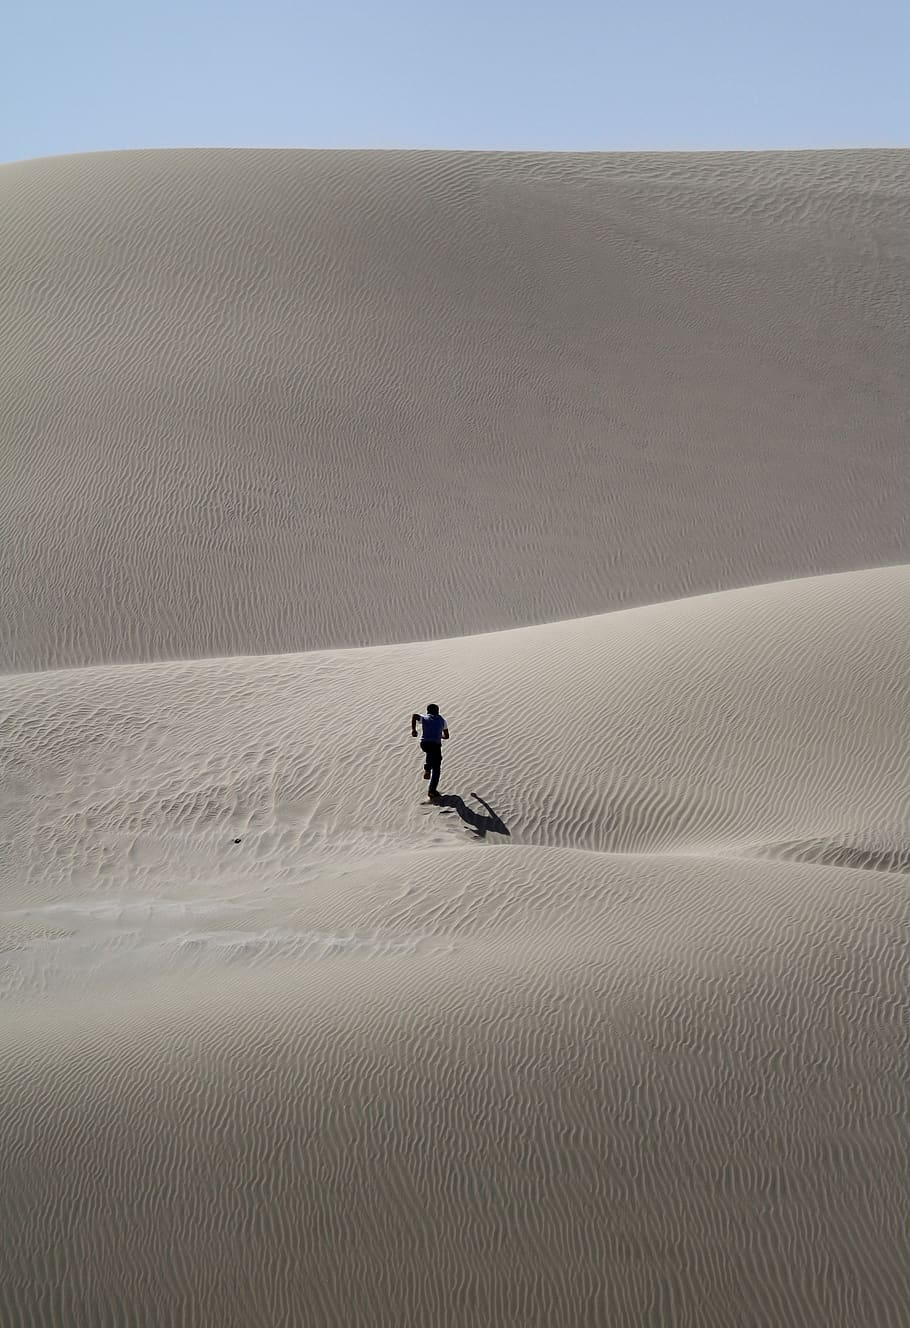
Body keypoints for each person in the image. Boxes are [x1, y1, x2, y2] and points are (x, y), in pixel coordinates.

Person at [410, 704, 449, 799]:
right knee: (436, 768)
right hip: (435, 745)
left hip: (424, 744)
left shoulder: (425, 718)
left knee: (429, 753)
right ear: (438, 711)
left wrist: (414, 730)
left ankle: (427, 768)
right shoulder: (442, 721)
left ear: (428, 711)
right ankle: (432, 791)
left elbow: (414, 716)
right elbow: (447, 736)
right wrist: (439, 735)